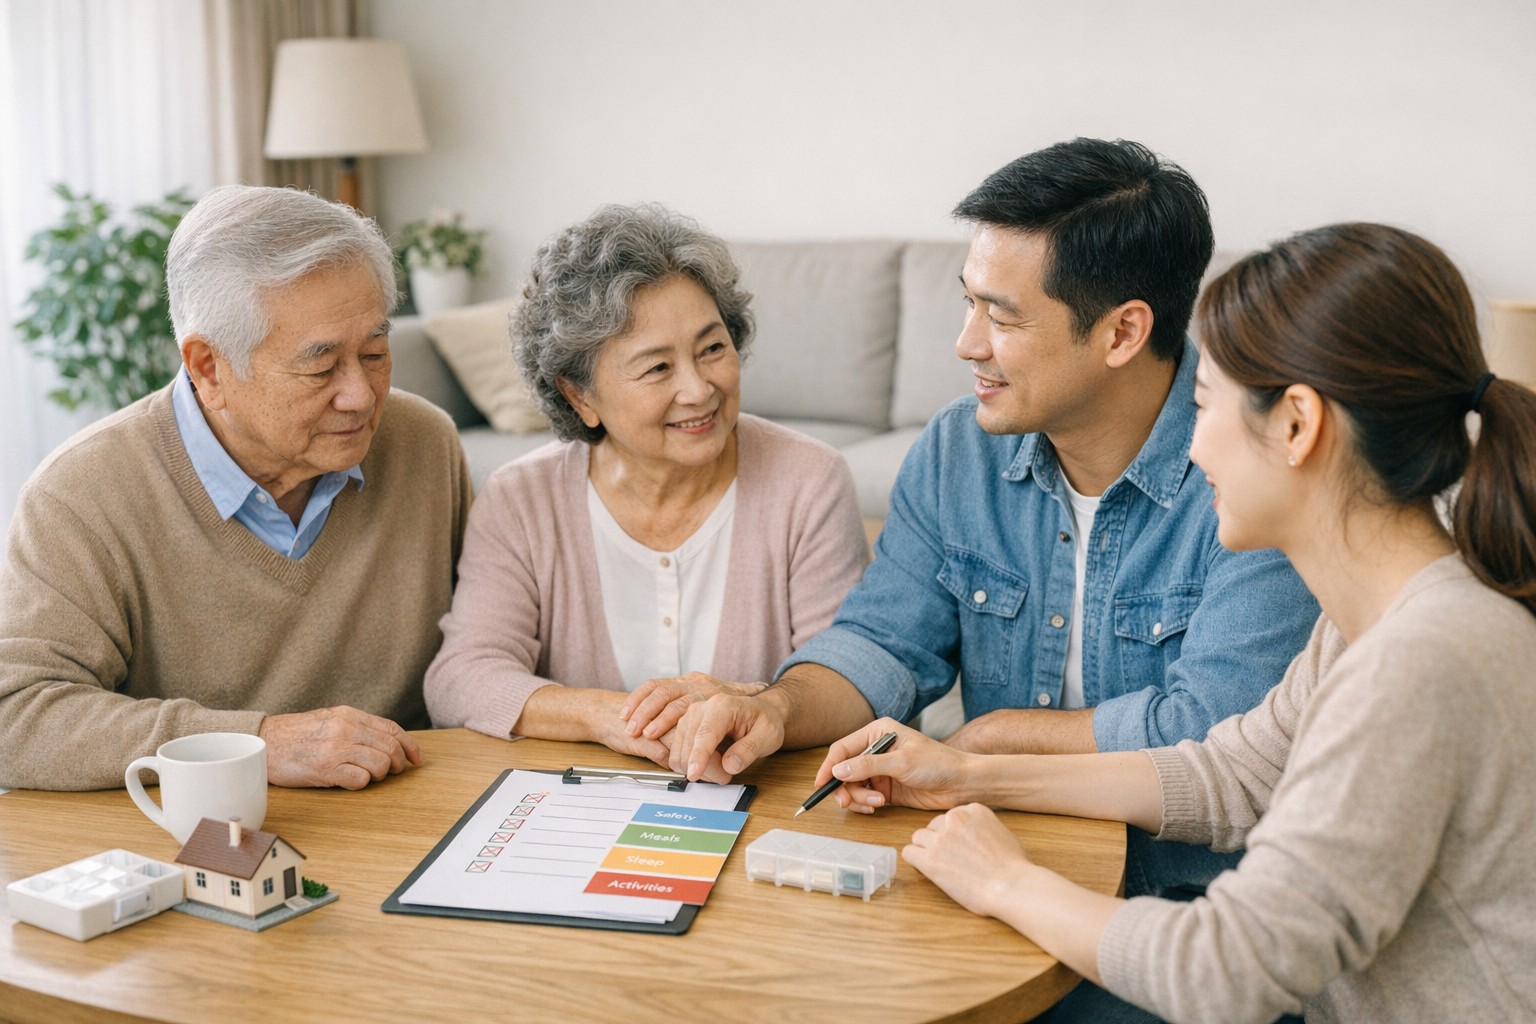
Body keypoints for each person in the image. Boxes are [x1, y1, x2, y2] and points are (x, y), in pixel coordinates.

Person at [815, 223, 1536, 1024]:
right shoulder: (1370, 623)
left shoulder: (1419, 665)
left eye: (1202, 405)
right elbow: (1231, 776)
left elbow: (1227, 969)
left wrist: (1005, 880)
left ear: (1297, 425)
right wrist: (967, 774)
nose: (1191, 447)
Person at [630, 139, 1318, 894]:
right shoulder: (961, 448)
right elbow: (884, 641)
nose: (967, 344)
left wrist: (983, 745)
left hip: (1183, 904)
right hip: (992, 865)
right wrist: (774, 707)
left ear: (1122, 332)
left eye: (1003, 317)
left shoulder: (1256, 472)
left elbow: (1218, 733)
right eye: (969, 302)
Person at [0, 185, 472, 792]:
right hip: (202, 840)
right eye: (320, 367)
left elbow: (487, 649)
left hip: (407, 812)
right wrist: (254, 742)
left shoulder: (424, 443)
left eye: (376, 352)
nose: (360, 395)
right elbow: (15, 717)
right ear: (208, 367)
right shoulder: (83, 492)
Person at [423, 204, 868, 765]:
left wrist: (766, 708)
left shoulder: (808, 480)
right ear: (579, 396)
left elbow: (849, 676)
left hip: (765, 793)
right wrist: (605, 717)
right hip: (580, 806)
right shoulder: (521, 499)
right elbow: (461, 677)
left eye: (712, 348)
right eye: (657, 368)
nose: (699, 388)